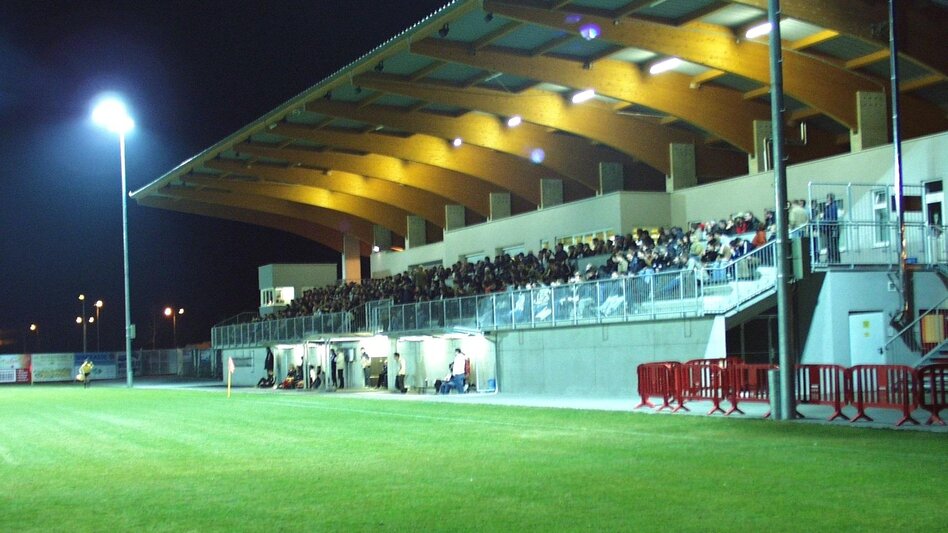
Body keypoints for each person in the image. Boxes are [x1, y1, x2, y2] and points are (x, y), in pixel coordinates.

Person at [822, 193, 840, 263]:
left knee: (832, 245)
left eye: (828, 198)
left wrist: (823, 222)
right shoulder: (829, 207)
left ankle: (833, 259)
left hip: (831, 229)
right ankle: (831, 258)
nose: (827, 200)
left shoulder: (832, 207)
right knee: (830, 244)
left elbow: (832, 219)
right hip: (828, 228)